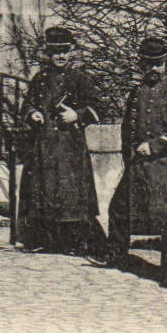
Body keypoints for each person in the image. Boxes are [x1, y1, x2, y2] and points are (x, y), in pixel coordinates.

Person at [108, 37, 167, 288]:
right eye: (148, 64)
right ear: (141, 64)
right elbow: (127, 128)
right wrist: (129, 157)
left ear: (165, 64)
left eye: (158, 64)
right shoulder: (136, 92)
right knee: (118, 210)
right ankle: (117, 261)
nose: (153, 69)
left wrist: (155, 145)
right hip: (140, 166)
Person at [16, 25, 106, 255]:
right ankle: (44, 240)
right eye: (56, 52)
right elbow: (27, 104)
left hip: (70, 148)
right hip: (44, 146)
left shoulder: (80, 79)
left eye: (65, 51)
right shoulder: (40, 79)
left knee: (70, 195)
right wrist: (32, 113)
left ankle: (74, 242)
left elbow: (97, 107)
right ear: (48, 54)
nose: (61, 56)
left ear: (71, 53)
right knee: (43, 192)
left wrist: (77, 115)